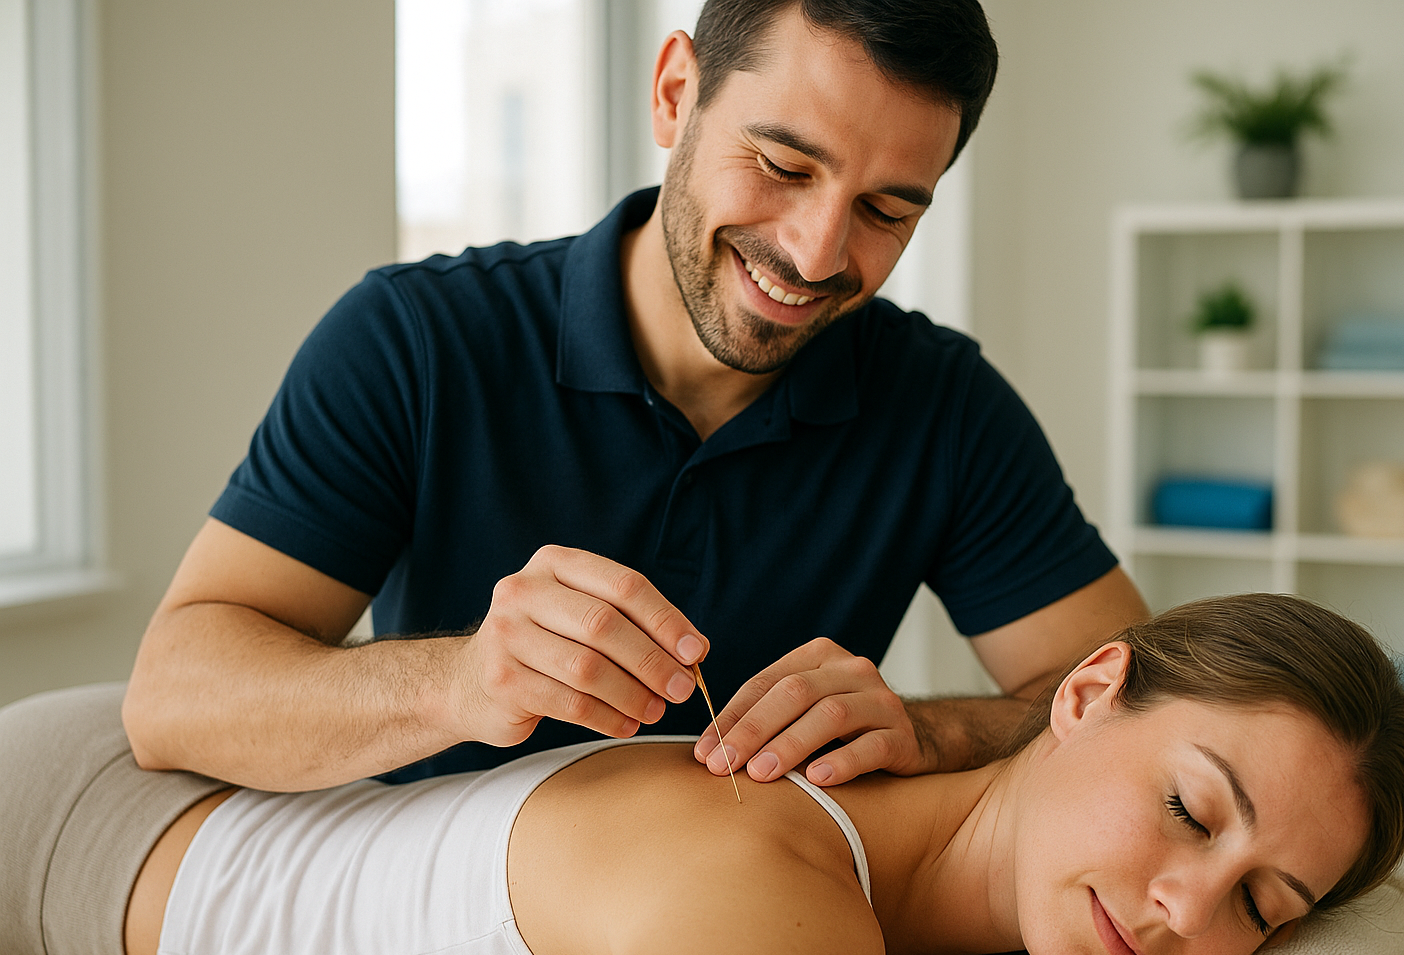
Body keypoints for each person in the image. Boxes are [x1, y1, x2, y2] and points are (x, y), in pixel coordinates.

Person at [122, 0, 1148, 795]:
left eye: (886, 210)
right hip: (426, 930)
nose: (815, 252)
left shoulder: (946, 407)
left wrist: (932, 731)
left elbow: (1141, 702)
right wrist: (459, 682)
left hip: (741, 918)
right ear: (674, 93)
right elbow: (173, 696)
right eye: (782, 164)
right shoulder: (417, 340)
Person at [4, 594, 1404, 955]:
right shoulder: (793, 920)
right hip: (76, 826)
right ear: (1085, 689)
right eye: (1190, 808)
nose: (1189, 908)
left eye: (1263, 903)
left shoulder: (889, 853)